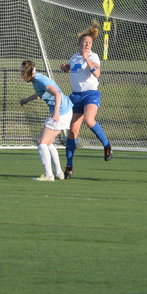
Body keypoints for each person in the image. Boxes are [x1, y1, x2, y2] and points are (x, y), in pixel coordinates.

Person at [59, 22, 112, 179]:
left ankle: (107, 145)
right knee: (72, 131)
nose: (87, 45)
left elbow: (97, 73)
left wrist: (86, 57)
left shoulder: (93, 56)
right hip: (76, 96)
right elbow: (73, 68)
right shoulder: (74, 57)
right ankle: (69, 166)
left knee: (89, 120)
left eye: (89, 43)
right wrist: (66, 68)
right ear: (79, 44)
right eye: (84, 42)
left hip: (90, 95)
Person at [19, 60, 71, 181]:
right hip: (65, 110)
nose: (21, 74)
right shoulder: (36, 79)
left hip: (62, 112)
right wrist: (27, 99)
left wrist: (56, 113)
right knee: (47, 143)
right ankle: (59, 173)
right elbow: (41, 93)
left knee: (41, 142)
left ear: (27, 72)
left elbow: (57, 94)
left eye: (22, 71)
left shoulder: (39, 80)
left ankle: (49, 175)